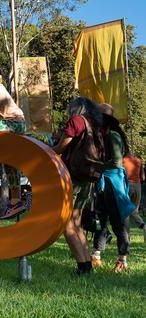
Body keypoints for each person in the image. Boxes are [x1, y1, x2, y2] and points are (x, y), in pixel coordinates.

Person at [52, 97, 104, 276]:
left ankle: (83, 266)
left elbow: (60, 147)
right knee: (76, 222)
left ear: (77, 108)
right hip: (87, 179)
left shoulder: (76, 121)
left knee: (66, 224)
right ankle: (87, 265)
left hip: (72, 177)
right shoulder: (94, 124)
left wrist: (46, 148)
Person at [91, 104, 134, 273]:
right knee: (101, 221)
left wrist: (94, 164)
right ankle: (96, 256)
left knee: (119, 222)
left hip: (113, 183)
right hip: (104, 181)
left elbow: (116, 162)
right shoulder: (104, 135)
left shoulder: (113, 136)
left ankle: (122, 260)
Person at [122, 153, 146, 238]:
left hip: (127, 186)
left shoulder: (122, 161)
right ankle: (142, 225)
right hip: (138, 187)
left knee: (126, 211)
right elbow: (143, 177)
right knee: (134, 210)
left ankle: (127, 237)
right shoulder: (139, 161)